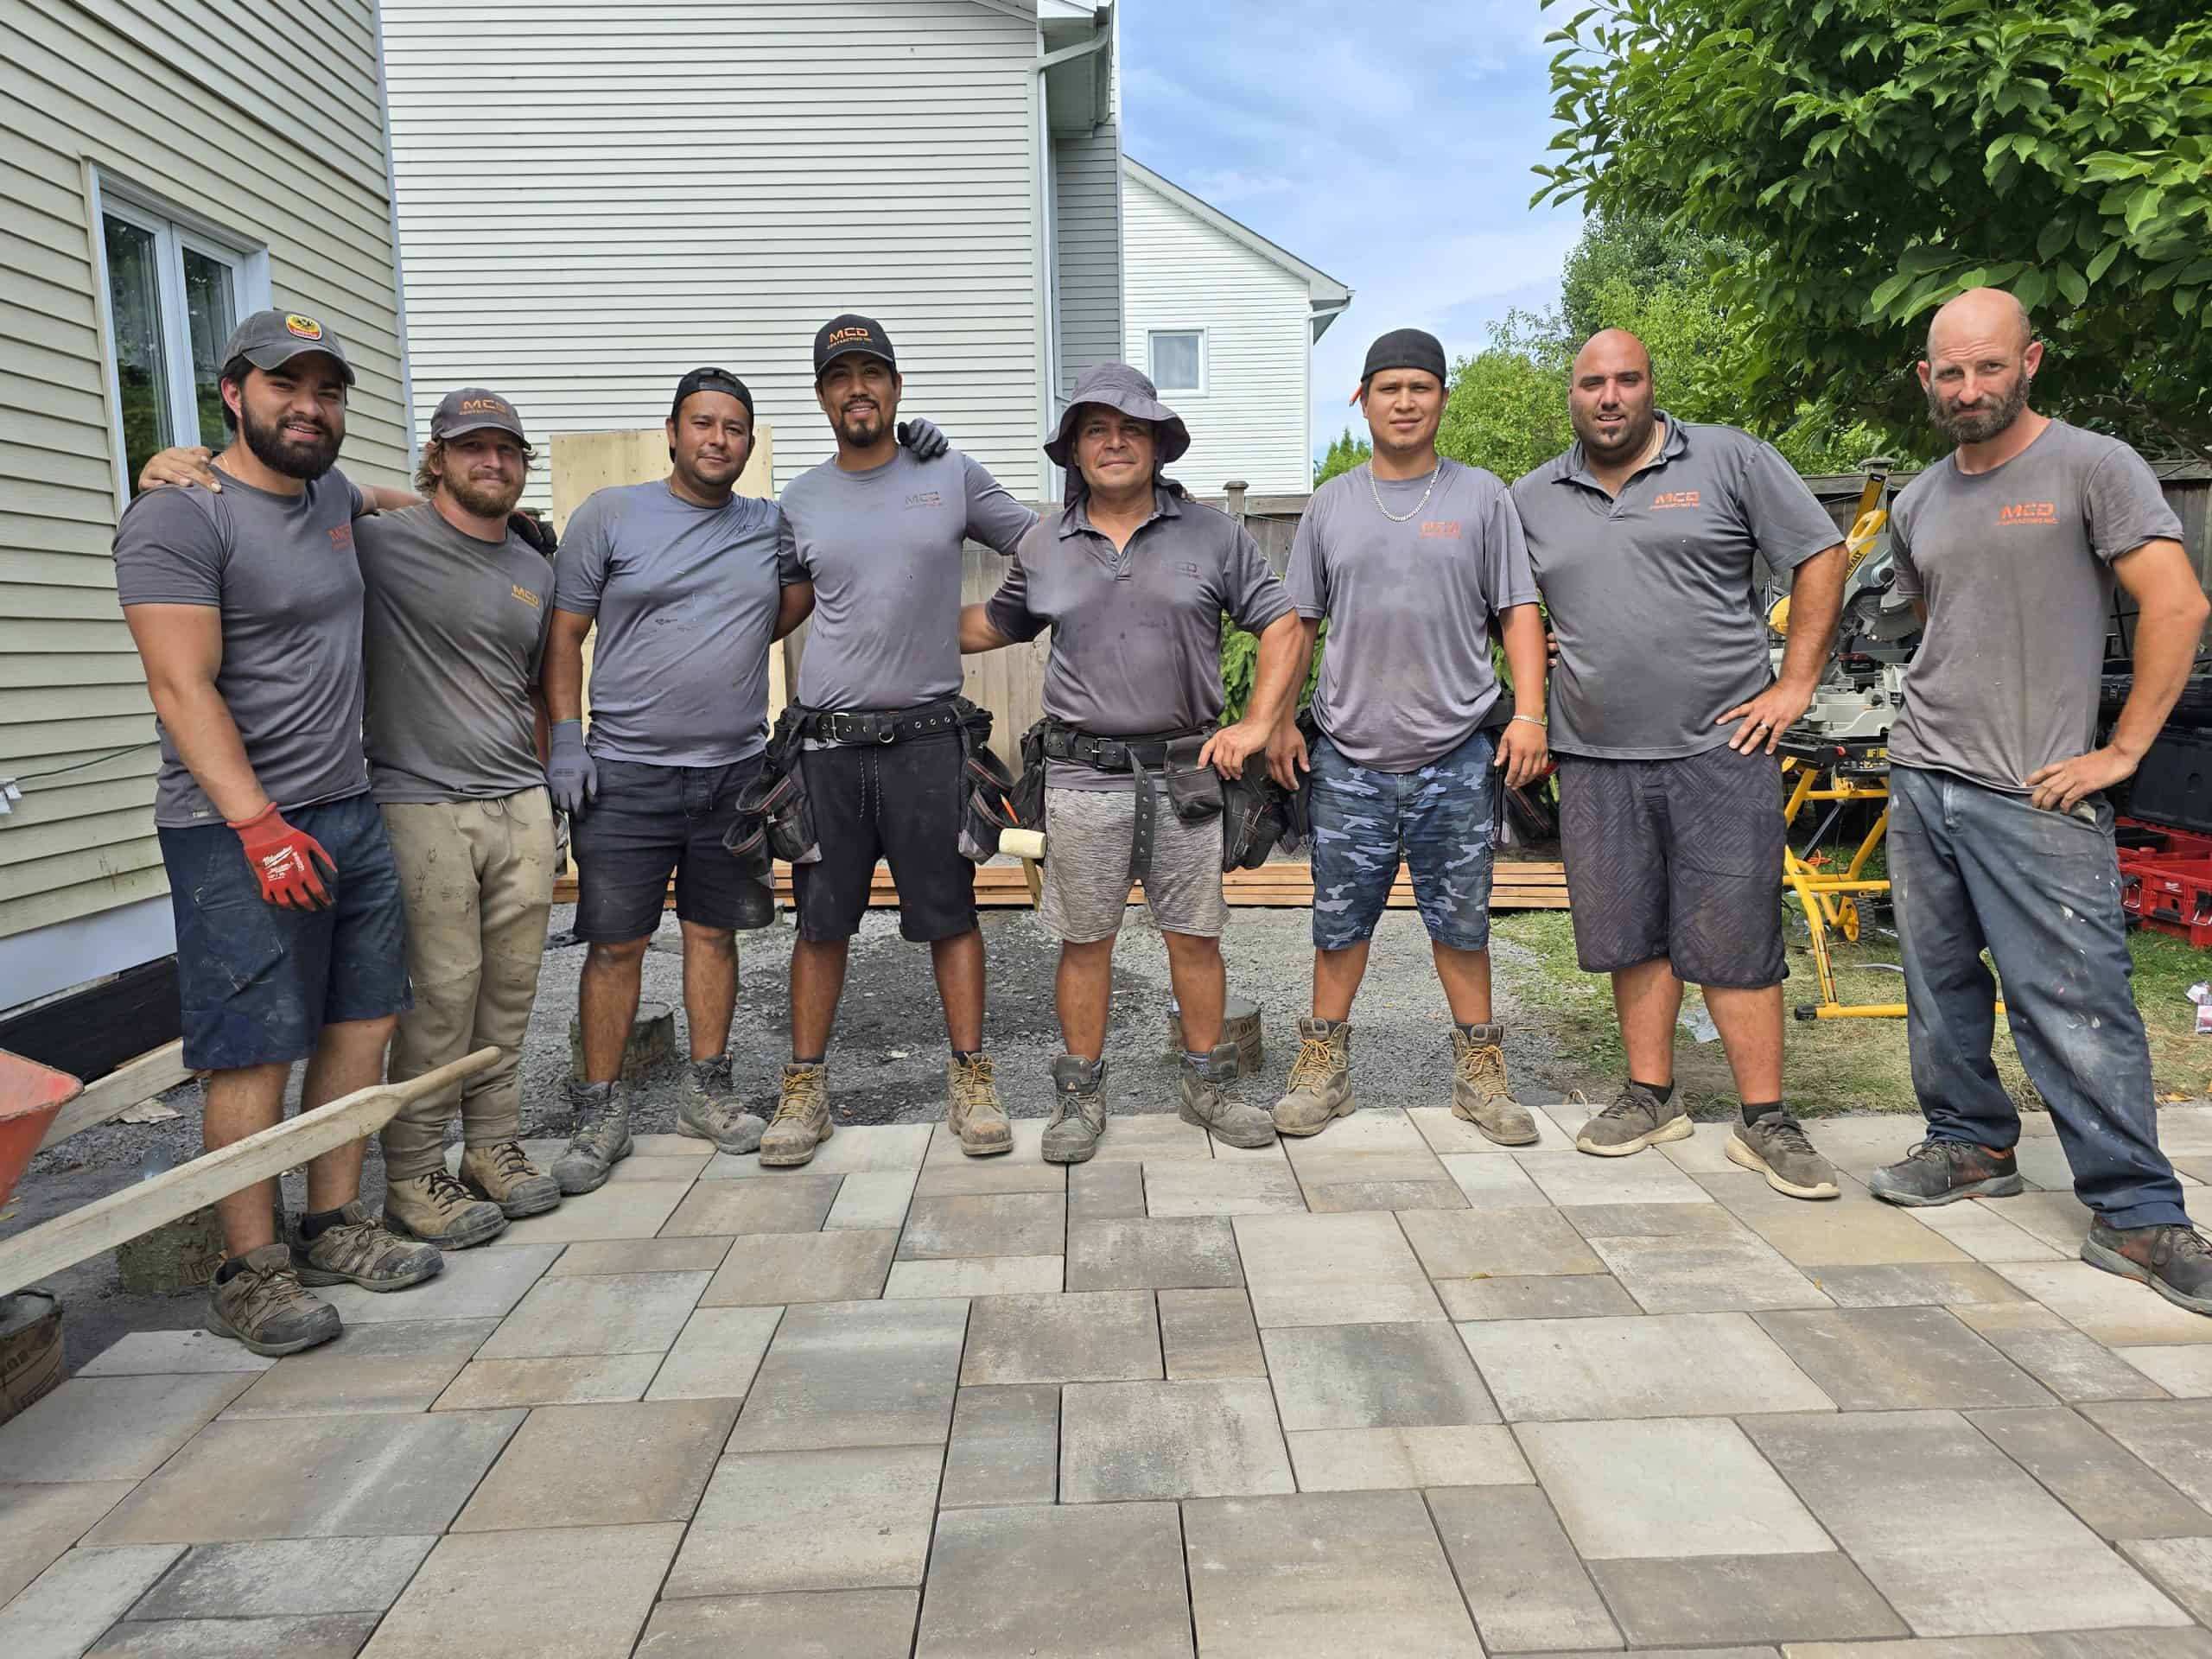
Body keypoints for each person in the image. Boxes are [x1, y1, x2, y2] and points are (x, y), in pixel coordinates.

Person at [1867, 287, 2209, 1315]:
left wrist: (2122, 751)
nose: (1970, 388)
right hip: (1926, 773)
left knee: (2076, 1000)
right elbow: (1937, 621)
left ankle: (2139, 1215)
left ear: (2030, 362)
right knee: (1937, 987)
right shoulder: (1920, 499)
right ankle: (1969, 1146)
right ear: (1926, 380)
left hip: (2035, 787)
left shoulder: (2093, 467)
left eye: (1989, 366)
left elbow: (2178, 602)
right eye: (1950, 372)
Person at [113, 308, 441, 1356]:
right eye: (284, 387)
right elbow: (179, 682)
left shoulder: (330, 495)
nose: (309, 407)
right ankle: (248, 1270)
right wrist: (258, 825)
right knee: (251, 1051)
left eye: (327, 391)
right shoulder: (179, 517)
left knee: (360, 1022)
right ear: (233, 395)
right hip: (235, 830)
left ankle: (332, 1224)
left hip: (349, 806)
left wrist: (465, 501)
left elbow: (389, 496)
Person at [1510, 328, 1850, 1200]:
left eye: (1627, 379)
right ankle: (1650, 1094)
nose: (1610, 396)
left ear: (1652, 385)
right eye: (1593, 383)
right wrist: (1529, 678)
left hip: (1721, 743)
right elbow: (1505, 606)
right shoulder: (1531, 497)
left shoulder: (1731, 460)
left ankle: (1765, 1119)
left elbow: (1821, 554)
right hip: (1593, 752)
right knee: (1631, 930)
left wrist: (1794, 684)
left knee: (1736, 932)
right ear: (1572, 394)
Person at [958, 362, 1306, 1160]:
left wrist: (1258, 725)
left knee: (1195, 936)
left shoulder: (1214, 534)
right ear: (1075, 450)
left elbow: (1283, 625)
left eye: (1130, 429)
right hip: (1082, 777)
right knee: (1085, 942)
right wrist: (899, 617)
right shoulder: (1044, 542)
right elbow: (995, 625)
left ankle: (1206, 1086)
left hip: (1187, 773)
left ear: (1156, 444)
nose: (1114, 443)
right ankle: (1079, 1098)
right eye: (1095, 430)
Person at [759, 315, 1039, 1167]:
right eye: (839, 377)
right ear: (821, 397)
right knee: (819, 923)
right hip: (828, 751)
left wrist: (992, 624)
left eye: (871, 373)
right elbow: (776, 606)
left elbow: (1045, 546)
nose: (857, 389)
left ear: (896, 386)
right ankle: (804, 1092)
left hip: (928, 744)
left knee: (952, 919)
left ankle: (972, 1081)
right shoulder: (798, 501)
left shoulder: (948, 474)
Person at [1265, 329, 1550, 1142]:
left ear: (1442, 400)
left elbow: (1518, 612)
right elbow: (1299, 623)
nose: (1404, 401)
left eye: (1420, 388)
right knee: (1338, 923)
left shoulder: (1484, 498)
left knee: (1462, 922)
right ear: (1362, 399)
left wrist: (1529, 712)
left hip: (1457, 754)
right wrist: (1281, 718)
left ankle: (1480, 1077)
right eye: (1388, 387)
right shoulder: (1331, 503)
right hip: (1349, 755)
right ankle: (1325, 1069)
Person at [544, 368, 804, 1192]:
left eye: (733, 427)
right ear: (672, 430)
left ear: (749, 444)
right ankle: (599, 1108)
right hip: (624, 771)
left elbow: (797, 596)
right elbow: (563, 638)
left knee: (712, 934)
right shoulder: (610, 515)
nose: (717, 439)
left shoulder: (770, 527)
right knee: (616, 943)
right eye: (703, 423)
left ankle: (708, 1091)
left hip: (733, 770)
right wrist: (564, 739)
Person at [354, 388, 565, 1246]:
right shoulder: (379, 546)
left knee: (510, 994)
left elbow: (536, 687)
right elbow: (299, 499)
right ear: (435, 458)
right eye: (472, 448)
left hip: (518, 798)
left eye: (508, 451)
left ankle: (491, 1148)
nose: (494, 463)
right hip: (420, 798)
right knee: (442, 995)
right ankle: (413, 1174)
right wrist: (168, 469)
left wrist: (554, 784)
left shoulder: (533, 566)